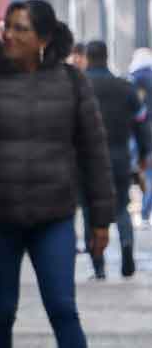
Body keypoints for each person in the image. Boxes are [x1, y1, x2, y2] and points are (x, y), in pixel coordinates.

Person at [0, 2, 113, 347]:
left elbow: (94, 152)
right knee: (1, 311)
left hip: (54, 217)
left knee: (63, 308)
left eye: (21, 29)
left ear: (43, 38)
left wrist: (101, 219)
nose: (9, 35)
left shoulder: (71, 81)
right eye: (8, 26)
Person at [81, 40, 149, 278]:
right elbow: (142, 123)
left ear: (88, 57)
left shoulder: (80, 86)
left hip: (87, 161)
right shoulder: (125, 87)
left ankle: (98, 266)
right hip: (119, 157)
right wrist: (143, 153)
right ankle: (127, 249)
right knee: (121, 207)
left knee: (91, 210)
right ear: (107, 56)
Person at [131, 48, 152, 226]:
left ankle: (145, 211)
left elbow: (137, 110)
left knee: (147, 173)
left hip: (143, 130)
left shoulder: (136, 78)